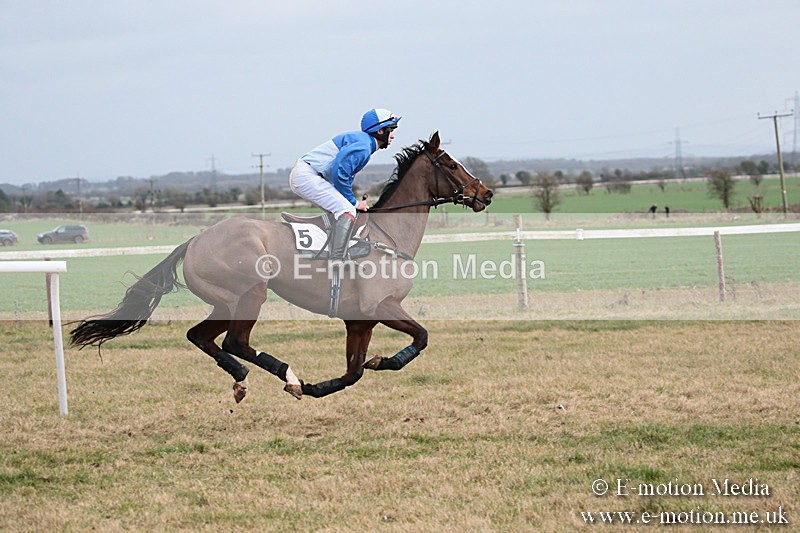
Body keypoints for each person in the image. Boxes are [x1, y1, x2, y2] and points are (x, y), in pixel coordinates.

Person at [289, 108, 401, 260]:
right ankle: (338, 259)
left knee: (343, 209)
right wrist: (354, 202)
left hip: (309, 174)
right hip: (308, 176)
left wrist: (354, 202)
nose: (393, 136)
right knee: (346, 209)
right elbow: (339, 173)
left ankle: (331, 250)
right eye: (392, 130)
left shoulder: (364, 143)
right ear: (381, 131)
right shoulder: (363, 147)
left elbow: (343, 177)